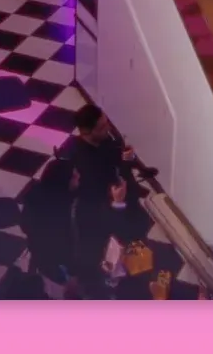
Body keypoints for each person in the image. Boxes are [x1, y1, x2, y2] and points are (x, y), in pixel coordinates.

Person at [61, 105, 154, 293]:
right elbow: (98, 211)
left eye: (107, 123)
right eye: (102, 127)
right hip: (104, 216)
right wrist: (116, 202)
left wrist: (127, 158)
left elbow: (116, 158)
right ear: (87, 132)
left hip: (121, 204)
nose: (108, 130)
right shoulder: (83, 162)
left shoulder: (105, 140)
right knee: (111, 254)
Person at [18, 159, 80, 293]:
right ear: (64, 181)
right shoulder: (61, 211)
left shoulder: (35, 192)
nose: (78, 178)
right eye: (74, 177)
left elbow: (24, 224)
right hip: (57, 265)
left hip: (38, 255)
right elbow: (67, 246)